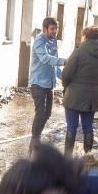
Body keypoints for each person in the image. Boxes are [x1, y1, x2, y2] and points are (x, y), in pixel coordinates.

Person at [60, 27, 98, 155]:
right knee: (88, 127)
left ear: (85, 36)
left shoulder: (78, 51)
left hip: (73, 96)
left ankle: (67, 159)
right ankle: (88, 157)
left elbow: (66, 74)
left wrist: (66, 87)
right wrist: (94, 84)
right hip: (92, 97)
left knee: (71, 127)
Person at [28, 17, 66, 152]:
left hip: (49, 84)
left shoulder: (53, 41)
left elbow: (53, 65)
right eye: (52, 29)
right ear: (45, 29)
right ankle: (34, 141)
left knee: (48, 113)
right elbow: (45, 58)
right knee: (40, 113)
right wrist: (65, 61)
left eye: (56, 29)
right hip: (38, 83)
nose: (55, 32)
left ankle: (36, 137)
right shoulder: (39, 41)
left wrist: (64, 78)